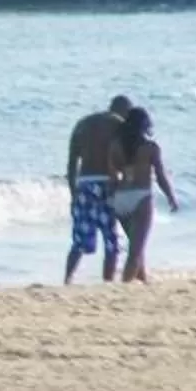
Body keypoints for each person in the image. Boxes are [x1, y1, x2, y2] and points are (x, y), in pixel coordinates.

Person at [62, 93, 134, 285]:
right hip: (107, 184)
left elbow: (71, 164)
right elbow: (126, 162)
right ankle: (107, 281)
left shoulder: (83, 124)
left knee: (80, 239)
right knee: (111, 240)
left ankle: (68, 278)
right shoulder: (120, 125)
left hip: (84, 183)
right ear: (125, 111)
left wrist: (73, 193)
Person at [106, 104, 180, 283]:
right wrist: (171, 197)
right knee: (135, 250)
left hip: (121, 199)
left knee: (136, 245)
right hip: (142, 197)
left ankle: (142, 278)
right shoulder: (151, 148)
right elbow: (160, 176)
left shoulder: (116, 146)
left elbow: (112, 175)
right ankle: (125, 285)